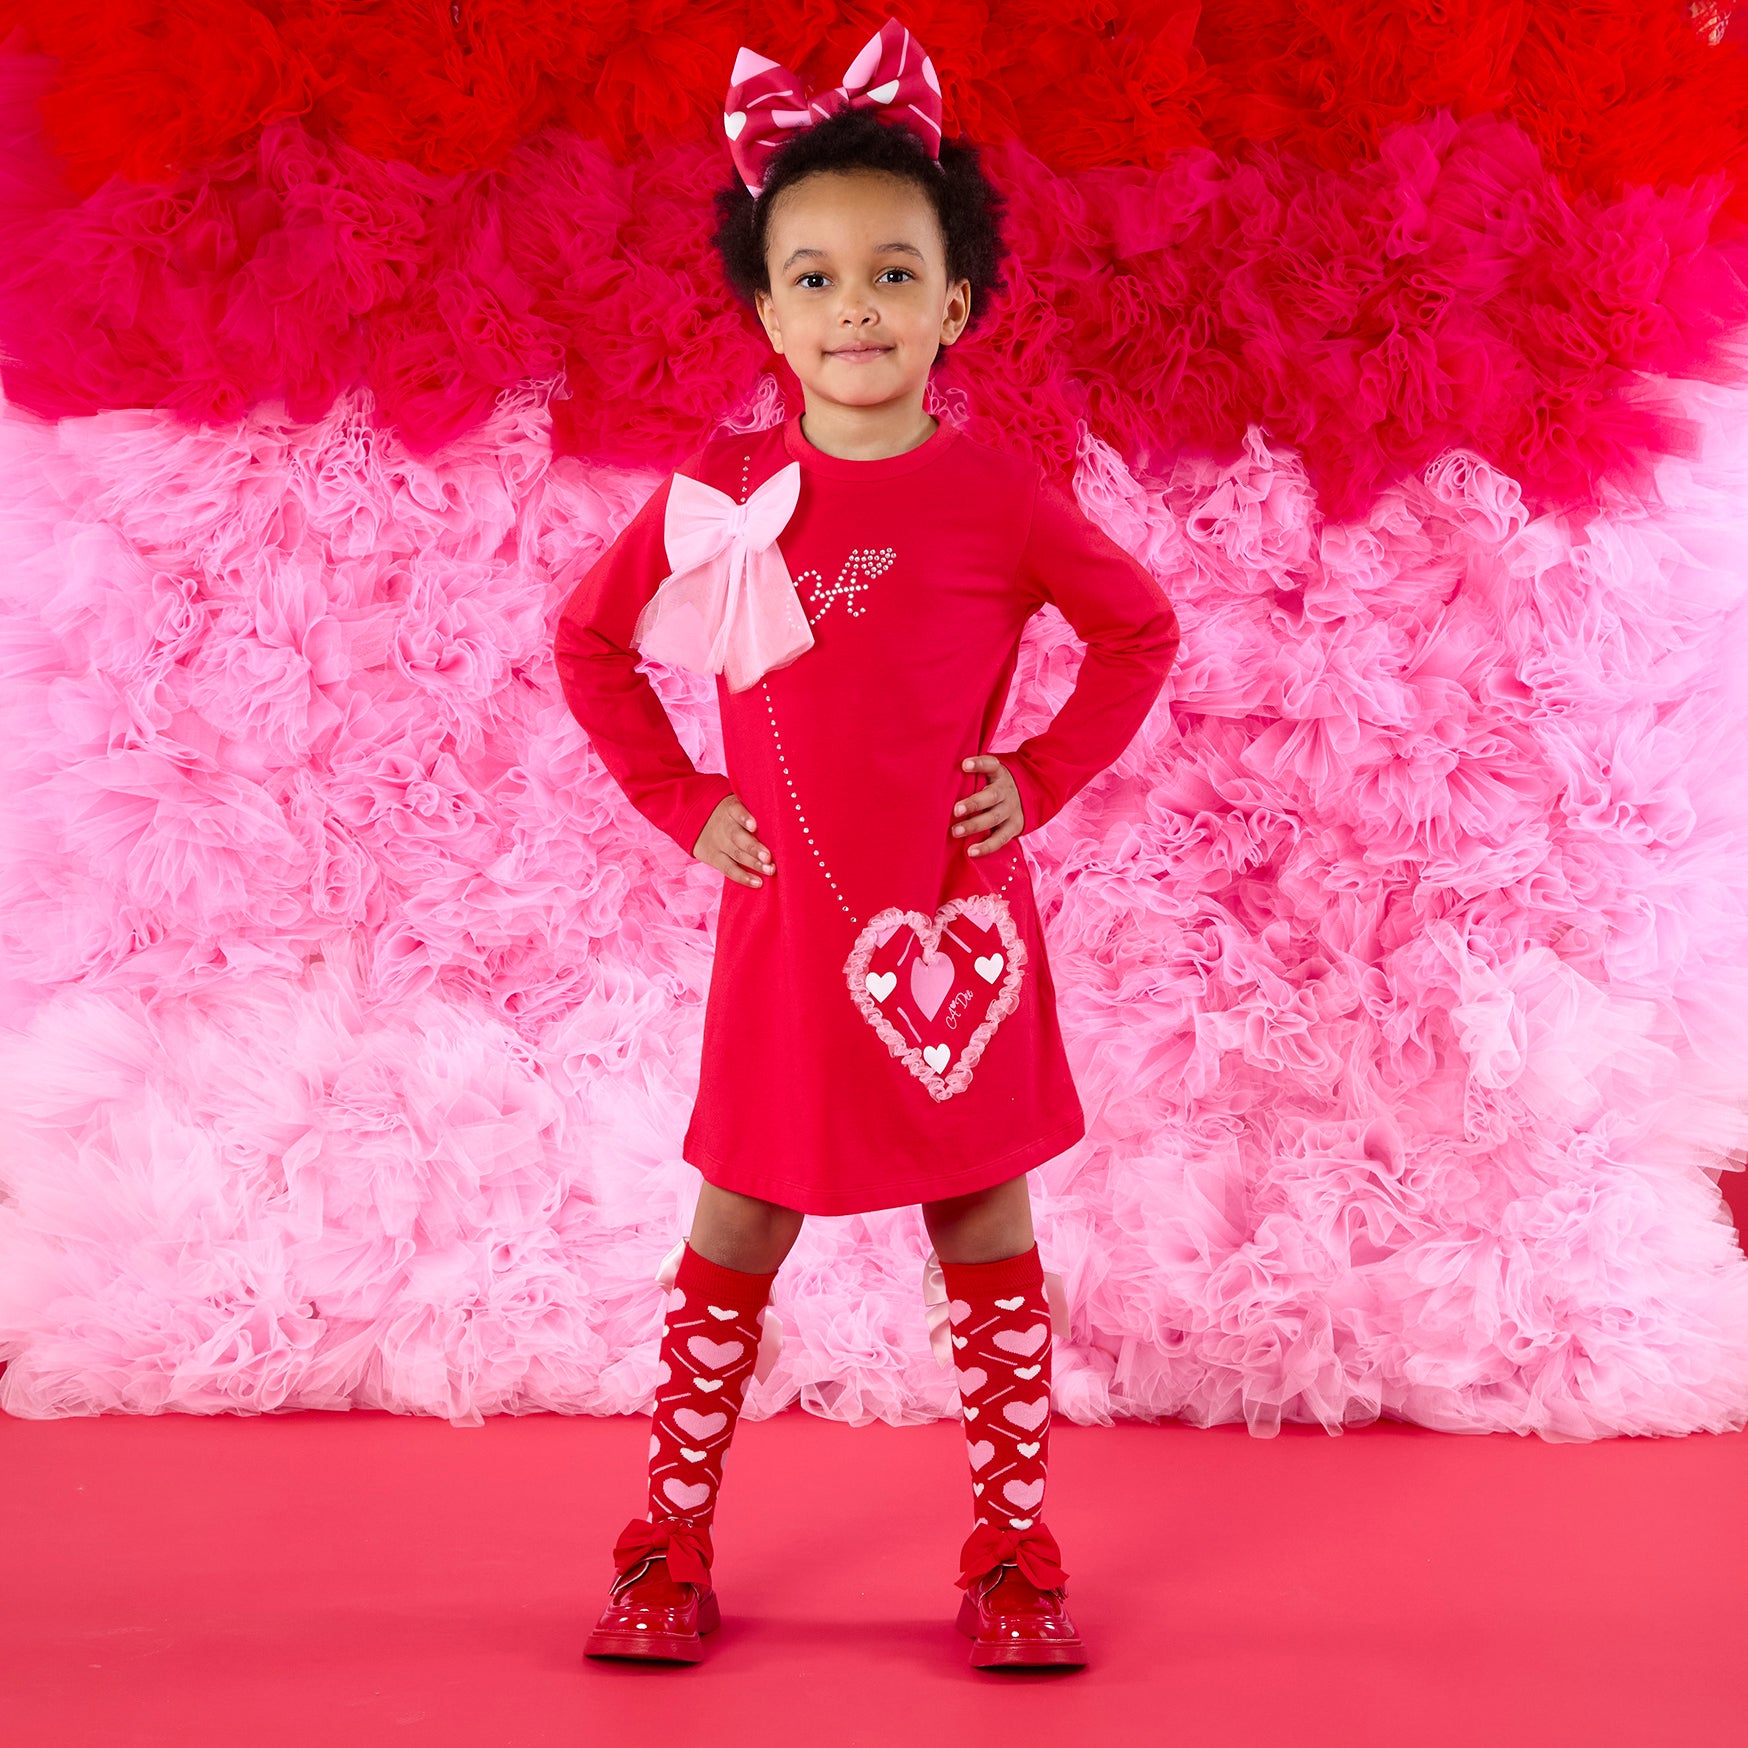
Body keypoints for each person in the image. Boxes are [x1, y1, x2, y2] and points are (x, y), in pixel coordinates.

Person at [552, 19, 1179, 1672]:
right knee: (738, 1221)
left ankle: (1014, 1551)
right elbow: (590, 643)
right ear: (767, 311)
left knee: (982, 1219)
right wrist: (685, 801)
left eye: (895, 275)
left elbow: (1139, 633)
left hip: (955, 938)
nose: (855, 309)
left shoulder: (1000, 500)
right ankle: (667, 1539)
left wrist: (1036, 778)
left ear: (953, 304)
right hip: (787, 942)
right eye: (814, 278)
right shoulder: (722, 489)